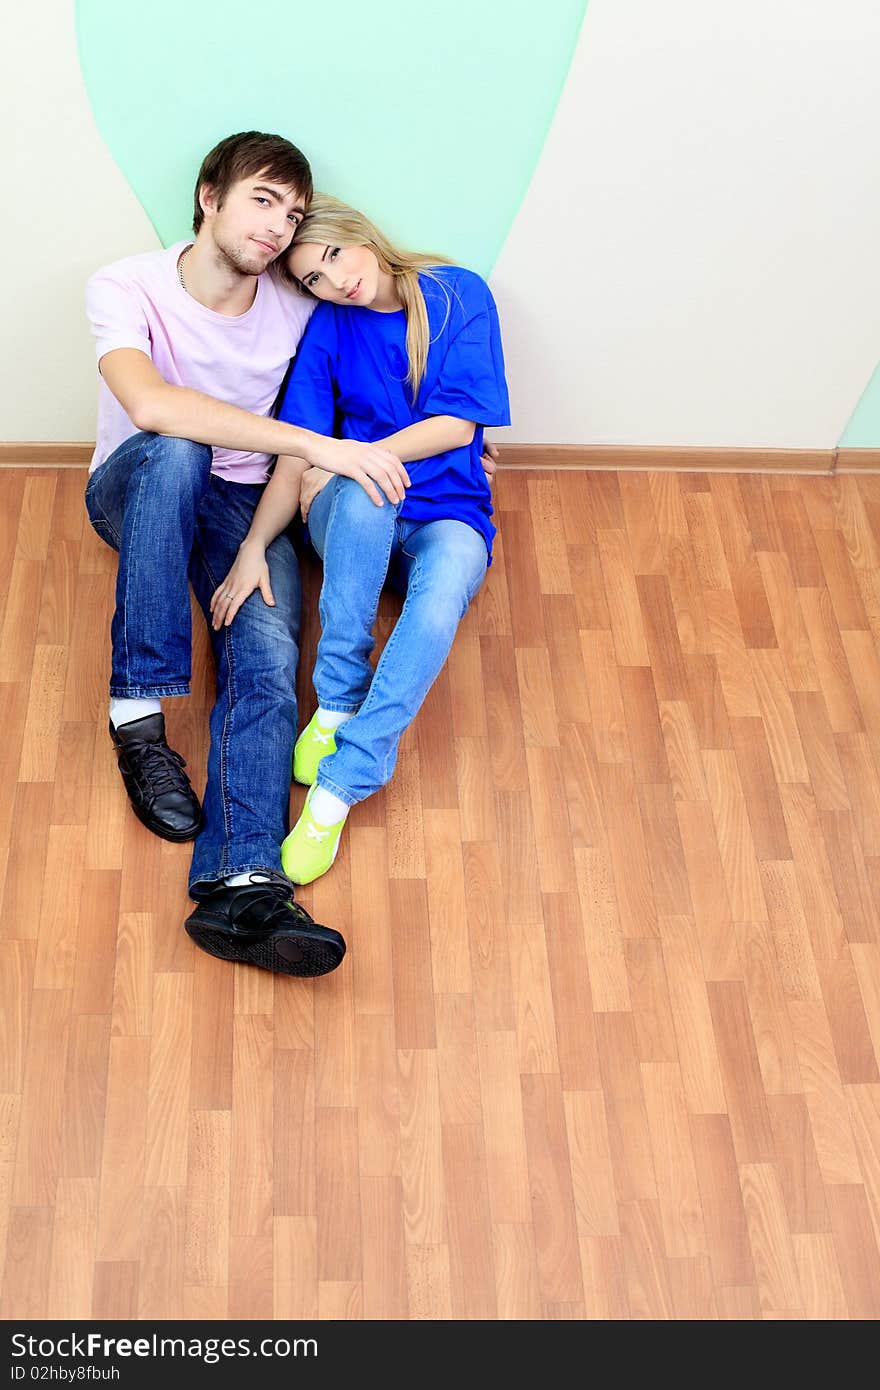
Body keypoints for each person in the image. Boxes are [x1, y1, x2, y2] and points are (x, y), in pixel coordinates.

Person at [84, 132, 411, 979]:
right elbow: (153, 406)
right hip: (140, 483)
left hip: (243, 508)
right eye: (263, 201)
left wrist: (258, 543)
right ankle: (138, 722)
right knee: (179, 447)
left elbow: (369, 381)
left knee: (266, 657)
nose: (278, 228)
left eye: (294, 214)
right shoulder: (125, 285)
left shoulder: (300, 308)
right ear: (209, 196)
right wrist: (316, 444)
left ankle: (243, 886)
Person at [211, 193, 509, 887]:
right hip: (355, 514)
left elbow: (459, 425)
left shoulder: (455, 293)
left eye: (335, 256)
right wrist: (256, 544)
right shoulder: (328, 329)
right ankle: (337, 694)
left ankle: (342, 784)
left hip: (448, 515)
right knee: (368, 490)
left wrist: (356, 454)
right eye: (314, 277)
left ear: (361, 236)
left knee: (440, 603)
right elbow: (294, 454)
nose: (335, 280)